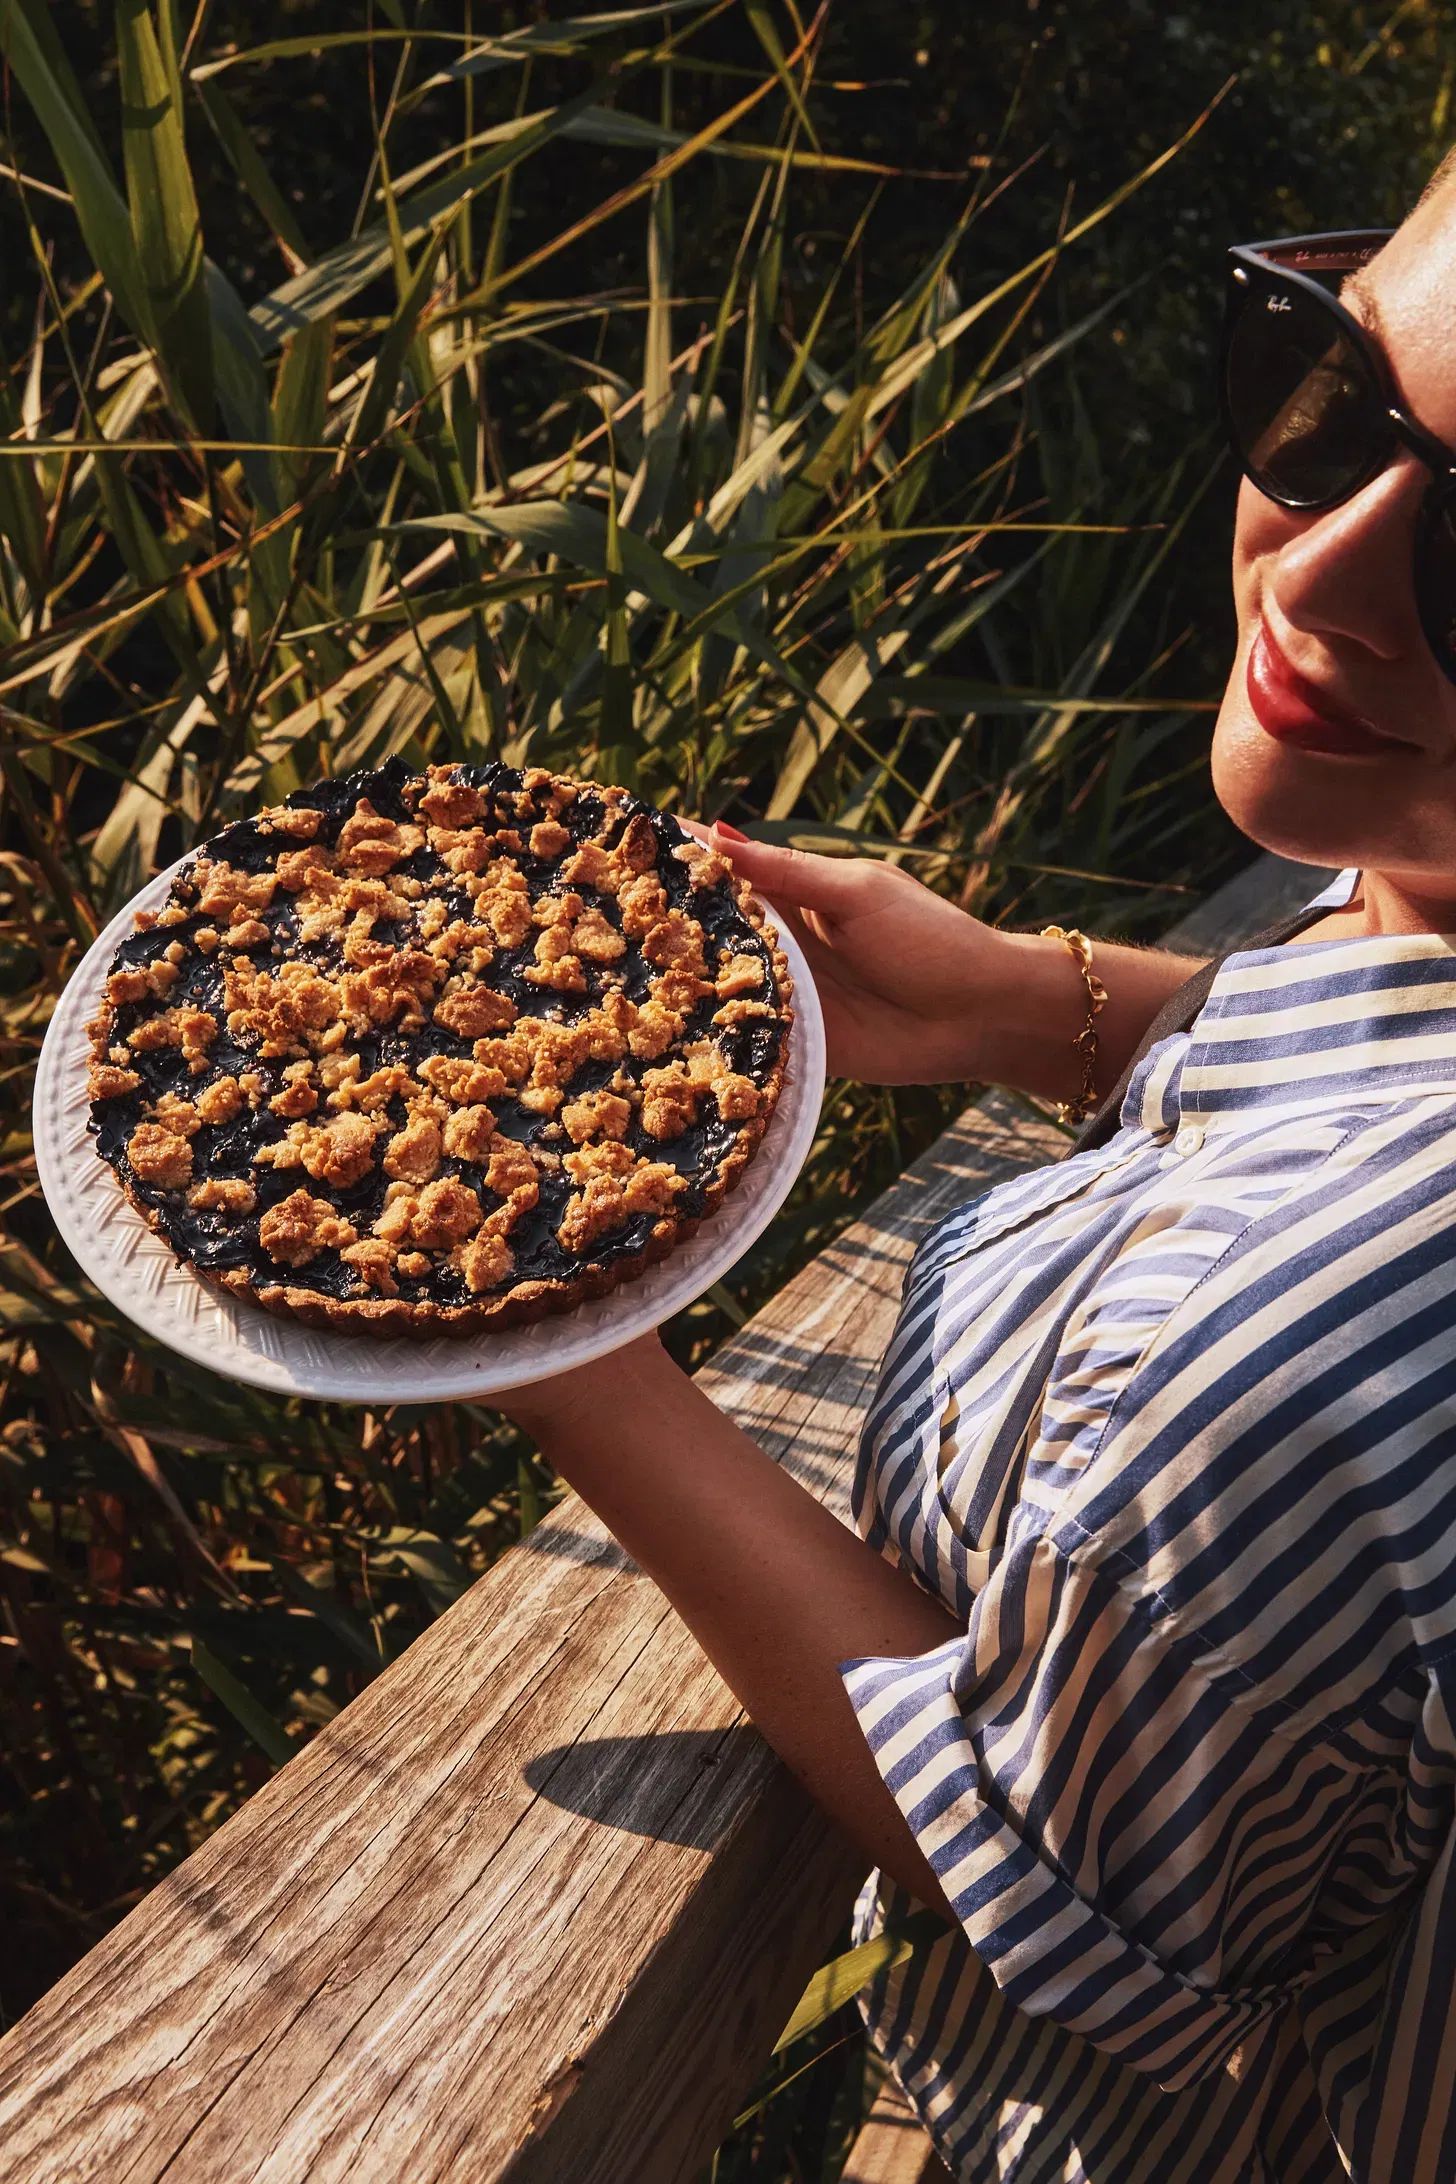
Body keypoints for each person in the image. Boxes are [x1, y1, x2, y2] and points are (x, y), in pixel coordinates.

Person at [497, 173, 1456, 2182]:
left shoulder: (1296, 1352)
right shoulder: (1398, 899)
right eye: (1329, 392)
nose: (1330, 575)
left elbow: (1022, 1858)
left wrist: (538, 1324)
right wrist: (1040, 1007)